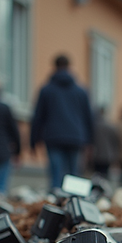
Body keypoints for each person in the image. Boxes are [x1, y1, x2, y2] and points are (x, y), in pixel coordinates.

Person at [30, 54, 94, 191]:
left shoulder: (46, 90)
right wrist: (91, 142)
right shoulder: (81, 91)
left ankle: (56, 205)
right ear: (69, 67)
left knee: (56, 176)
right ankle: (74, 206)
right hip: (76, 137)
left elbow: (38, 117)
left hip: (53, 137)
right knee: (74, 176)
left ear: (54, 67)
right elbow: (89, 117)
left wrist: (33, 141)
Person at [90, 105, 120, 180]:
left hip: (96, 154)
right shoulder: (110, 126)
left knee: (97, 175)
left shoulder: (94, 126)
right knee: (105, 175)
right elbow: (115, 141)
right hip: (107, 154)